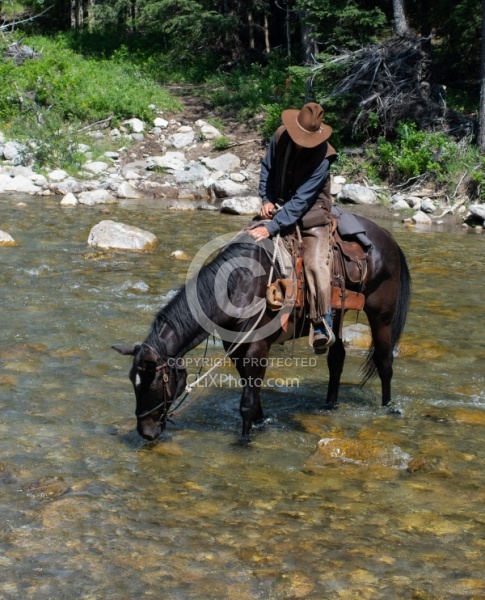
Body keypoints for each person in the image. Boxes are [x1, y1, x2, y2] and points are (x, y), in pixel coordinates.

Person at [247, 102, 338, 350]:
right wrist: (266, 199)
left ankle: (322, 322)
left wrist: (271, 227)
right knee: (242, 241)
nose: (301, 142)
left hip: (312, 216)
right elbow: (267, 167)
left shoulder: (323, 157)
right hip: (278, 206)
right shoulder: (280, 135)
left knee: (315, 265)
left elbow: (301, 202)